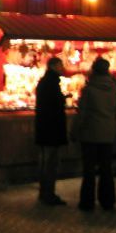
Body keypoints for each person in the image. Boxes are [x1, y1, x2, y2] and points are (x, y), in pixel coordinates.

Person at [71, 57, 116, 212]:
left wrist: (74, 131)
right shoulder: (114, 88)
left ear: (93, 70)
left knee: (89, 169)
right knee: (106, 169)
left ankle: (87, 202)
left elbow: (82, 114)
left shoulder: (89, 90)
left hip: (90, 134)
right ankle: (108, 201)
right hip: (107, 134)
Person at [34, 57, 69, 206]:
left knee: (45, 161)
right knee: (51, 162)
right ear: (54, 66)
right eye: (60, 65)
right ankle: (49, 193)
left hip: (44, 128)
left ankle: (44, 192)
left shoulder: (44, 82)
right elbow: (54, 105)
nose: (62, 67)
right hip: (52, 129)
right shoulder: (52, 83)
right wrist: (62, 99)